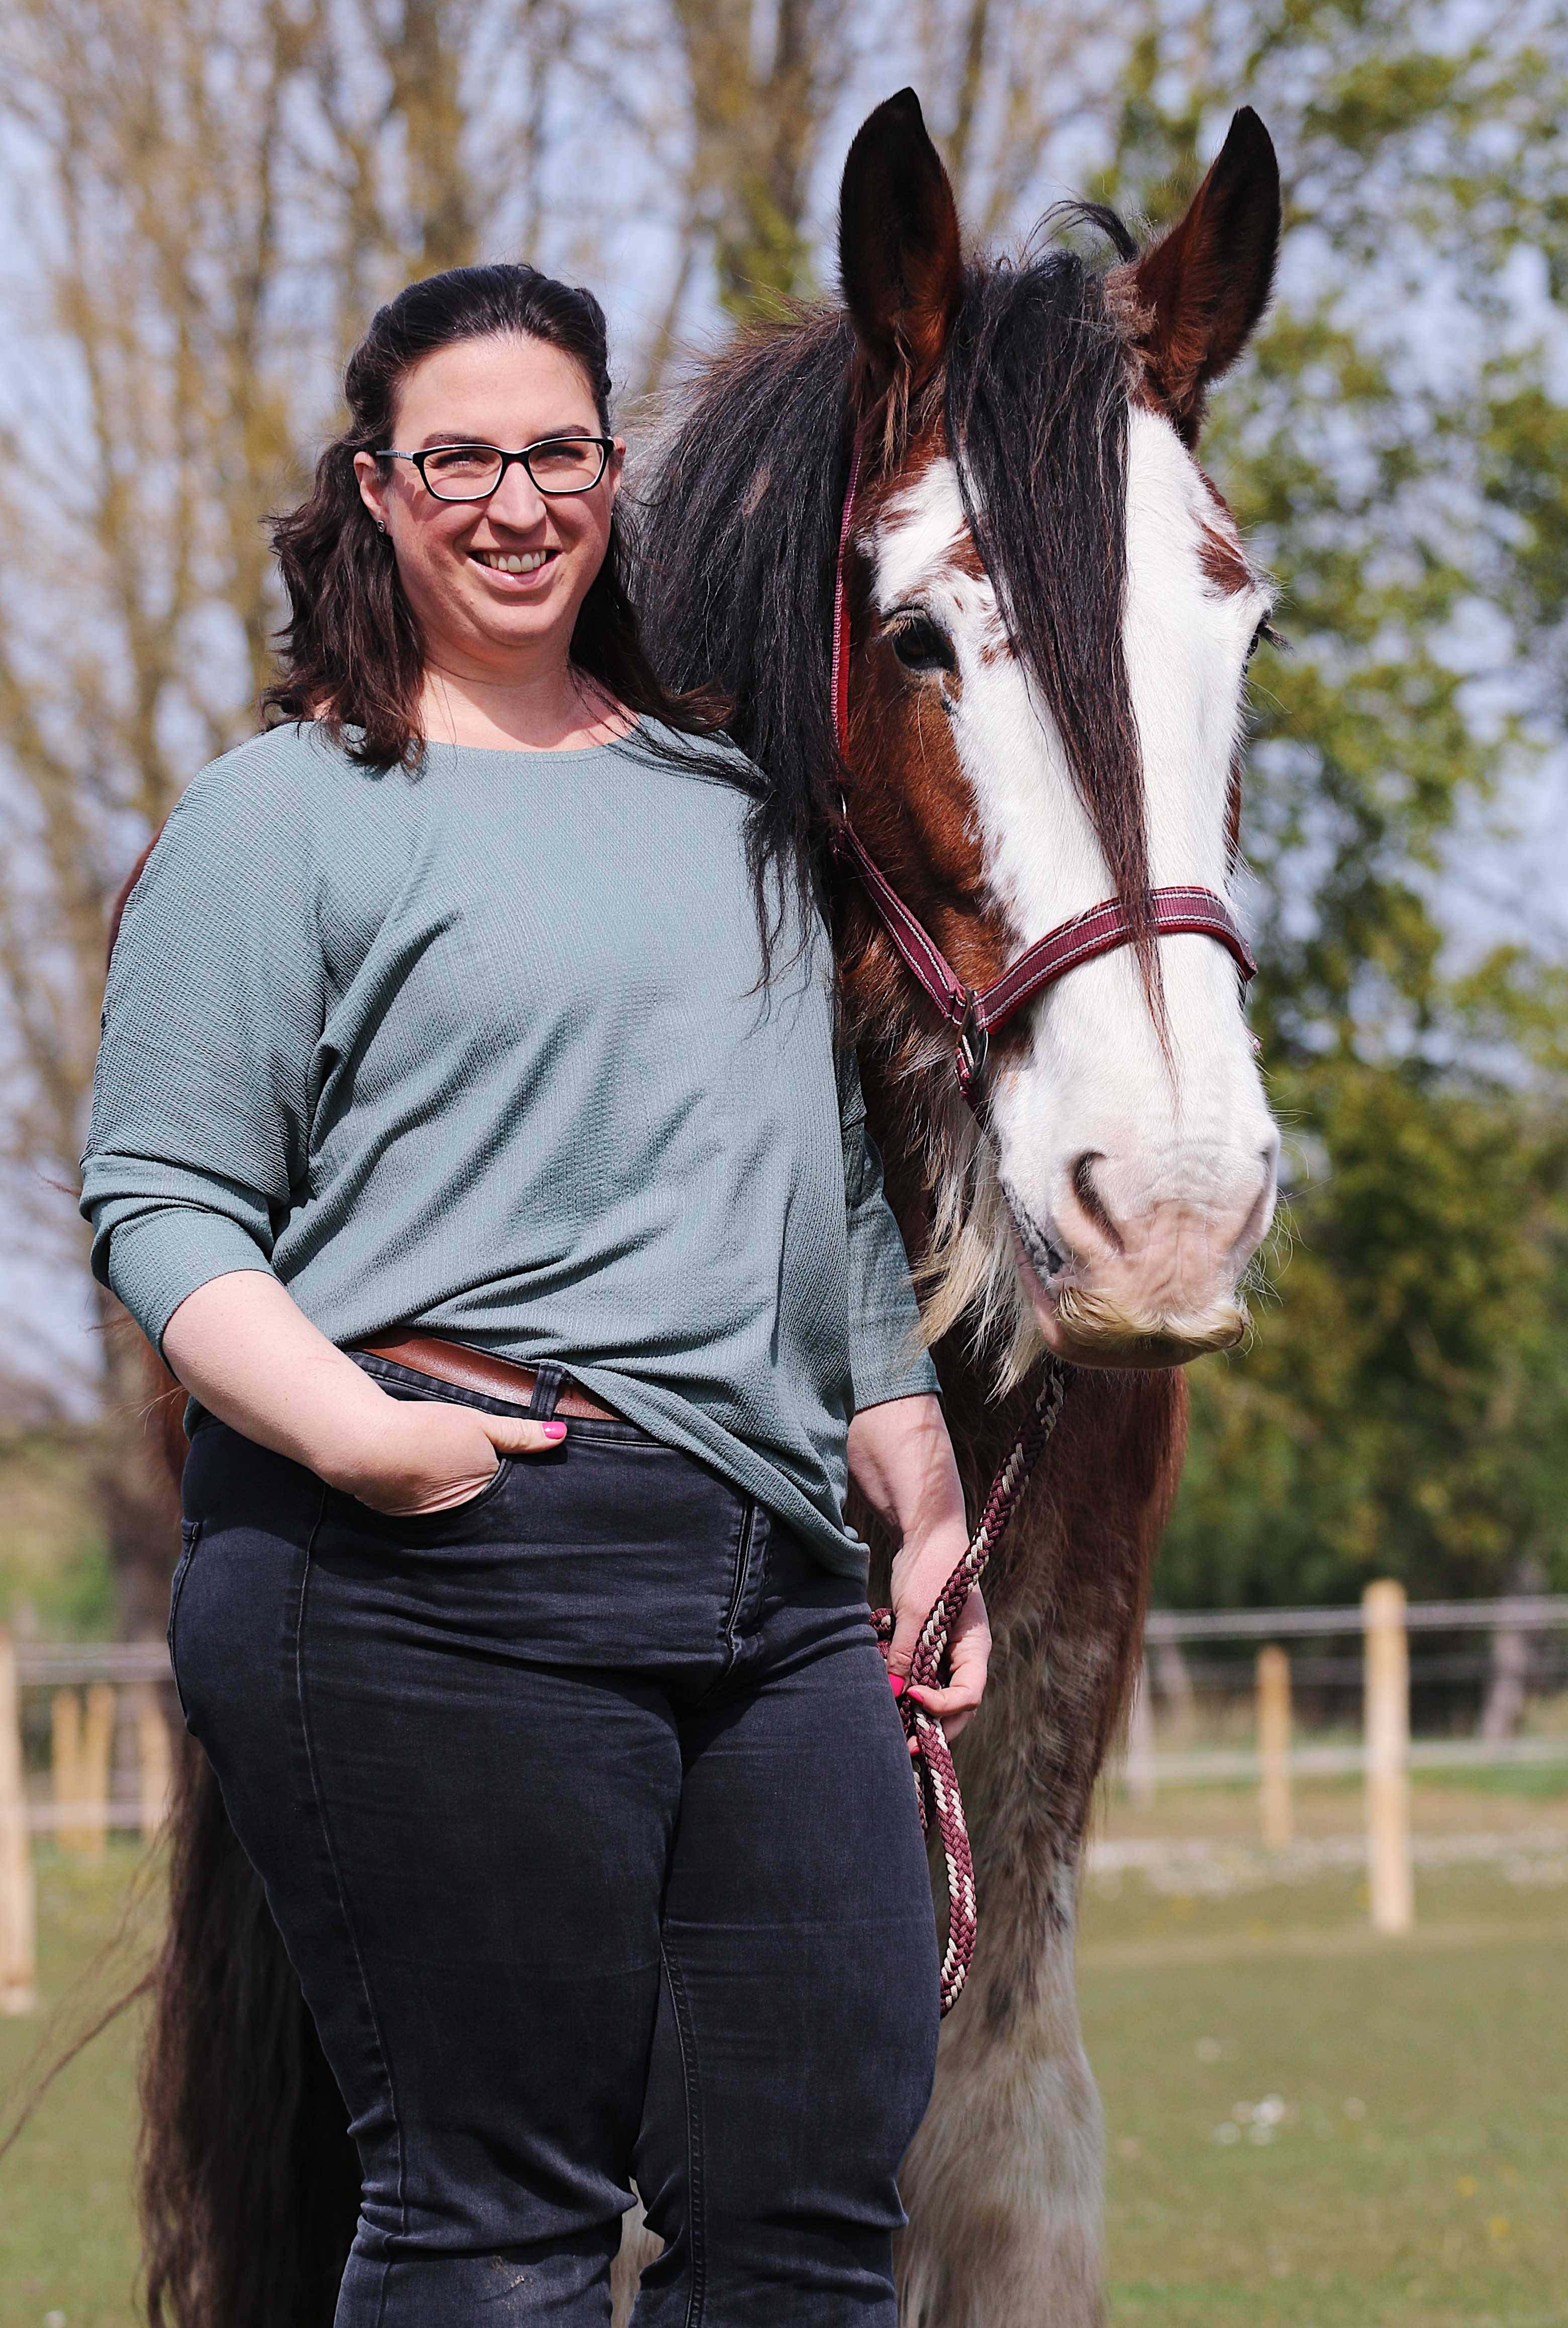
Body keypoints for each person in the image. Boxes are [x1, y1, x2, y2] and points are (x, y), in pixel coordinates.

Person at [81, 262, 989, 2327]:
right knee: (498, 2232)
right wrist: (355, 1437)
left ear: (611, 479)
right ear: (381, 492)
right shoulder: (284, 816)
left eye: (558, 451)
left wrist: (917, 1487)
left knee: (813, 2219)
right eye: (460, 458)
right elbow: (159, 1198)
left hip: (773, 1594)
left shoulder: (734, 811)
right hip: (428, 1559)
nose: (515, 500)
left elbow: (828, 1191)